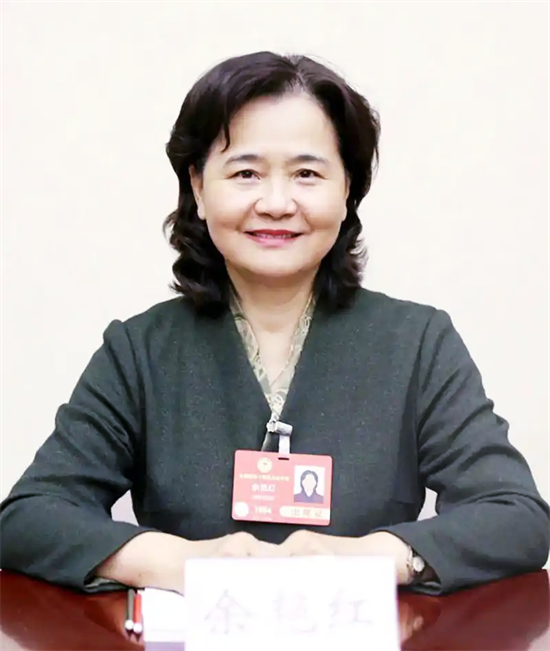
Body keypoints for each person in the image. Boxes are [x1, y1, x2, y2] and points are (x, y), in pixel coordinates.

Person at [0, 51, 548, 596]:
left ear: (347, 189)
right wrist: (177, 562)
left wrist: (375, 558)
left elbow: (517, 517)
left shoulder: (418, 342)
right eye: (246, 173)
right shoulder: (138, 350)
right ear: (198, 187)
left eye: (307, 174)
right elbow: (28, 517)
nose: (277, 203)